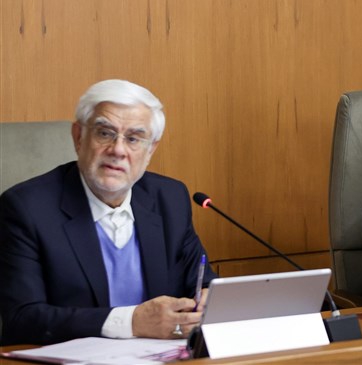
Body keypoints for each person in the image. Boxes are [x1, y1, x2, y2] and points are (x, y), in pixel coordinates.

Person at [0, 79, 215, 345]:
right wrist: (131, 322)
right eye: (105, 133)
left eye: (133, 139)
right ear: (78, 137)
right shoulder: (26, 208)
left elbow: (201, 281)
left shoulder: (170, 199)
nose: (118, 150)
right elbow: (22, 319)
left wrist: (208, 298)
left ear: (151, 149)